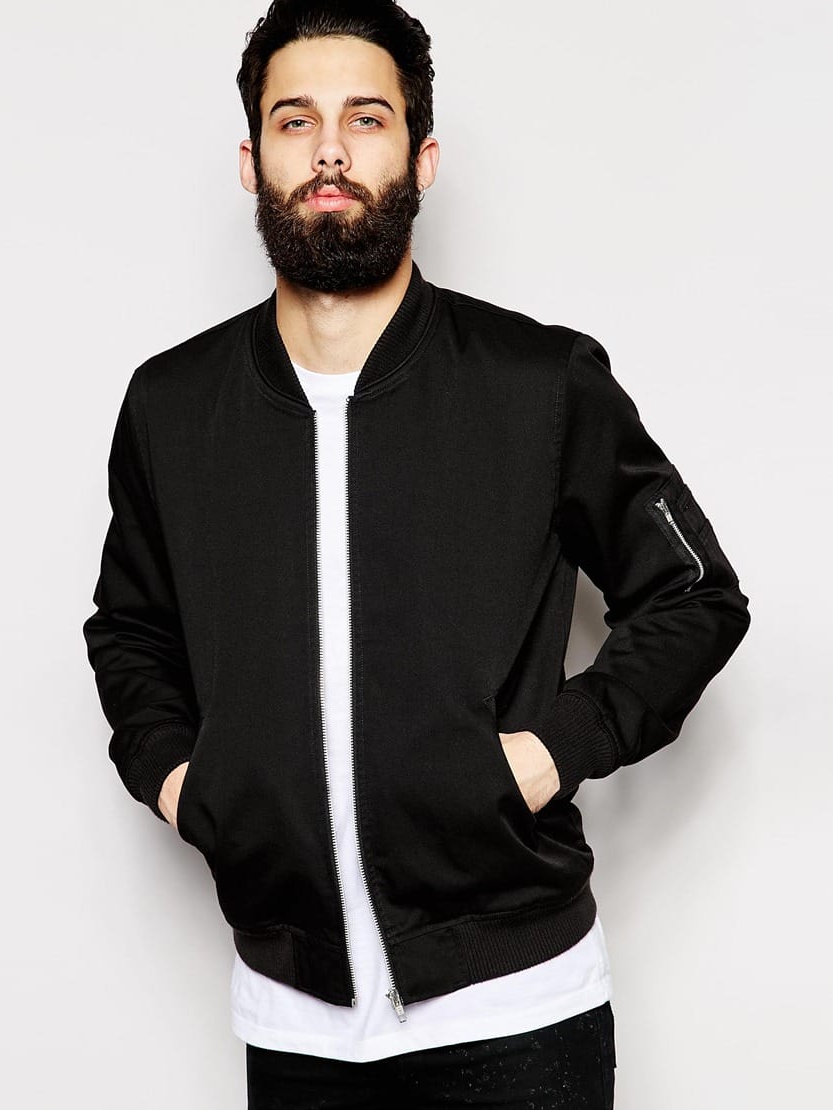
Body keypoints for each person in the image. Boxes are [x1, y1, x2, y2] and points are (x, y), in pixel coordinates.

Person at [82, 2, 751, 1106]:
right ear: (251, 162)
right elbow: (130, 628)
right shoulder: (174, 406)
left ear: (422, 158)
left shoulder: (538, 383)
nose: (330, 150)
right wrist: (184, 784)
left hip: (519, 1017)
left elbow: (694, 594)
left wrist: (553, 750)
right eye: (295, 121)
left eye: (367, 118)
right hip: (291, 1022)